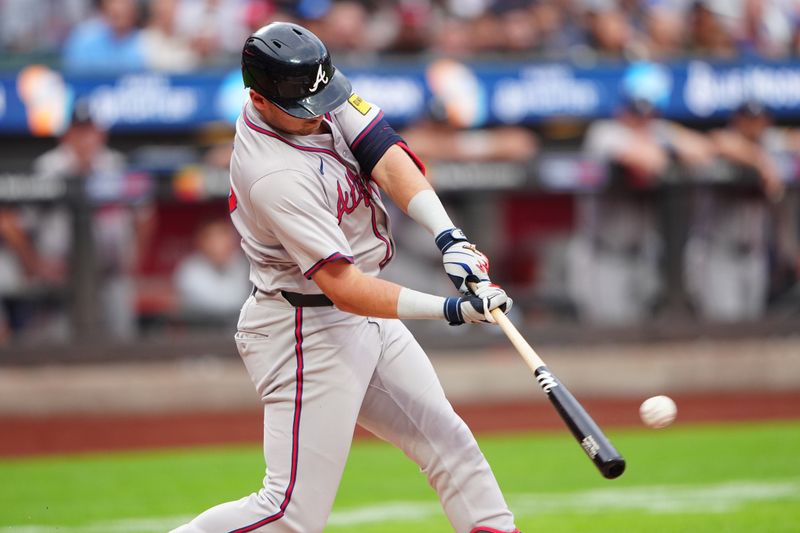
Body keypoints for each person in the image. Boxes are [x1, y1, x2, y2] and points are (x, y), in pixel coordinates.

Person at [171, 22, 519, 533]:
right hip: (305, 329)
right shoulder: (275, 176)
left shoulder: (309, 84)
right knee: (289, 514)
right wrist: (452, 308)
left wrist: (450, 238)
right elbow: (344, 287)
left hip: (361, 316)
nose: (318, 116)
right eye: (301, 111)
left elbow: (383, 150)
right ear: (259, 100)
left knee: (450, 446)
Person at [567, 95, 714, 325]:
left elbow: (703, 150)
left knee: (640, 336)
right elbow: (646, 159)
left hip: (642, 257)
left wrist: (665, 137)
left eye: (646, 118)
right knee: (607, 334)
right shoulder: (604, 132)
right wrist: (665, 148)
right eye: (635, 117)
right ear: (621, 115)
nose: (640, 123)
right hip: (604, 257)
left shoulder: (657, 131)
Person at [684, 100, 791, 321]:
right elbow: (720, 142)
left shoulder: (769, 144)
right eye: (748, 121)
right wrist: (763, 163)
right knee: (724, 329)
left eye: (759, 121)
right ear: (737, 121)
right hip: (717, 254)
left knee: (752, 331)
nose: (754, 126)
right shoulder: (724, 144)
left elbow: (792, 140)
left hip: (753, 255)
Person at [173, 217, 250, 322]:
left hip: (238, 329)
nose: (218, 245)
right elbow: (217, 304)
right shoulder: (189, 269)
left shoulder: (244, 265)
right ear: (202, 241)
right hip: (200, 328)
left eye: (223, 236)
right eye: (212, 238)